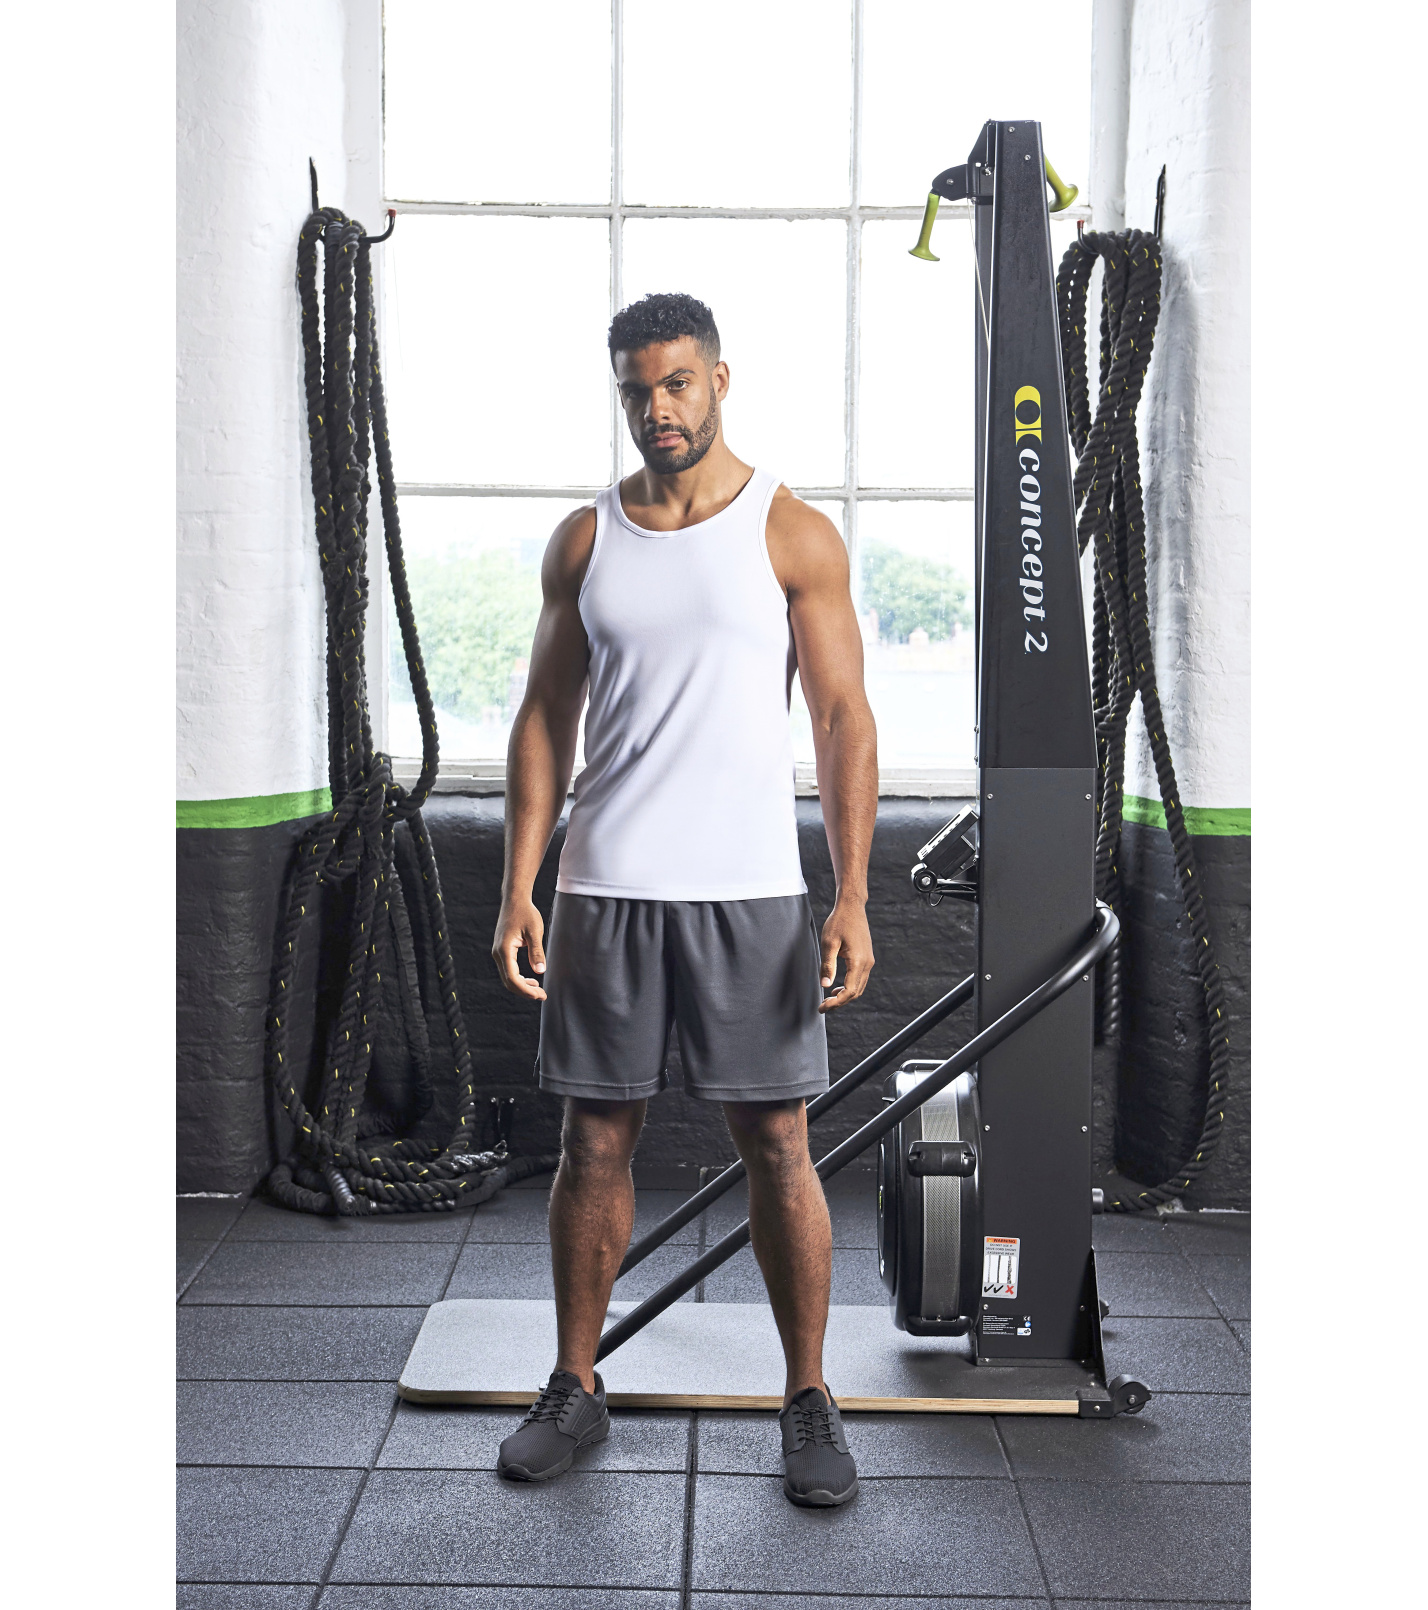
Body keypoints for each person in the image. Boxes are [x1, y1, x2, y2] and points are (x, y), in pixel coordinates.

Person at [490, 292, 877, 1508]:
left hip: (749, 889)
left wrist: (852, 893)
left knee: (780, 1142)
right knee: (593, 1141)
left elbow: (843, 717)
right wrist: (520, 885)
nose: (656, 408)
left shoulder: (790, 532)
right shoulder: (586, 541)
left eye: (675, 383)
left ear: (719, 379)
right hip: (606, 884)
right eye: (636, 389)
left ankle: (807, 1394)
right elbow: (545, 718)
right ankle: (575, 1382)